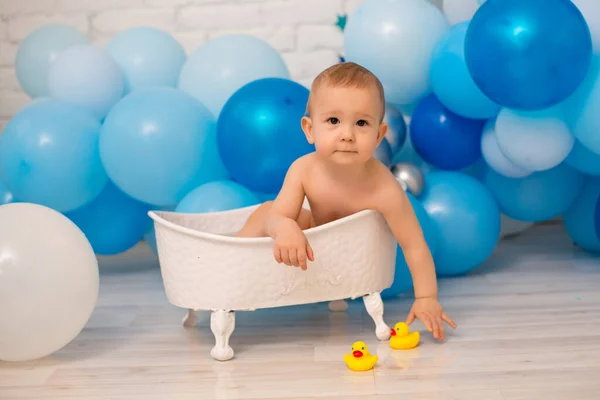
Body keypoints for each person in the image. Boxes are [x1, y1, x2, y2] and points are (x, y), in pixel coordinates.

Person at [236, 62, 456, 340]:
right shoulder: (304, 169)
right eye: (333, 121)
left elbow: (414, 245)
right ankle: (232, 260)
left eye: (361, 123)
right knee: (269, 211)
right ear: (309, 129)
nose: (347, 134)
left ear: (378, 136)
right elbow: (276, 217)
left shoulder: (385, 188)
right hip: (309, 250)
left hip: (349, 263)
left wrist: (426, 297)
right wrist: (284, 227)